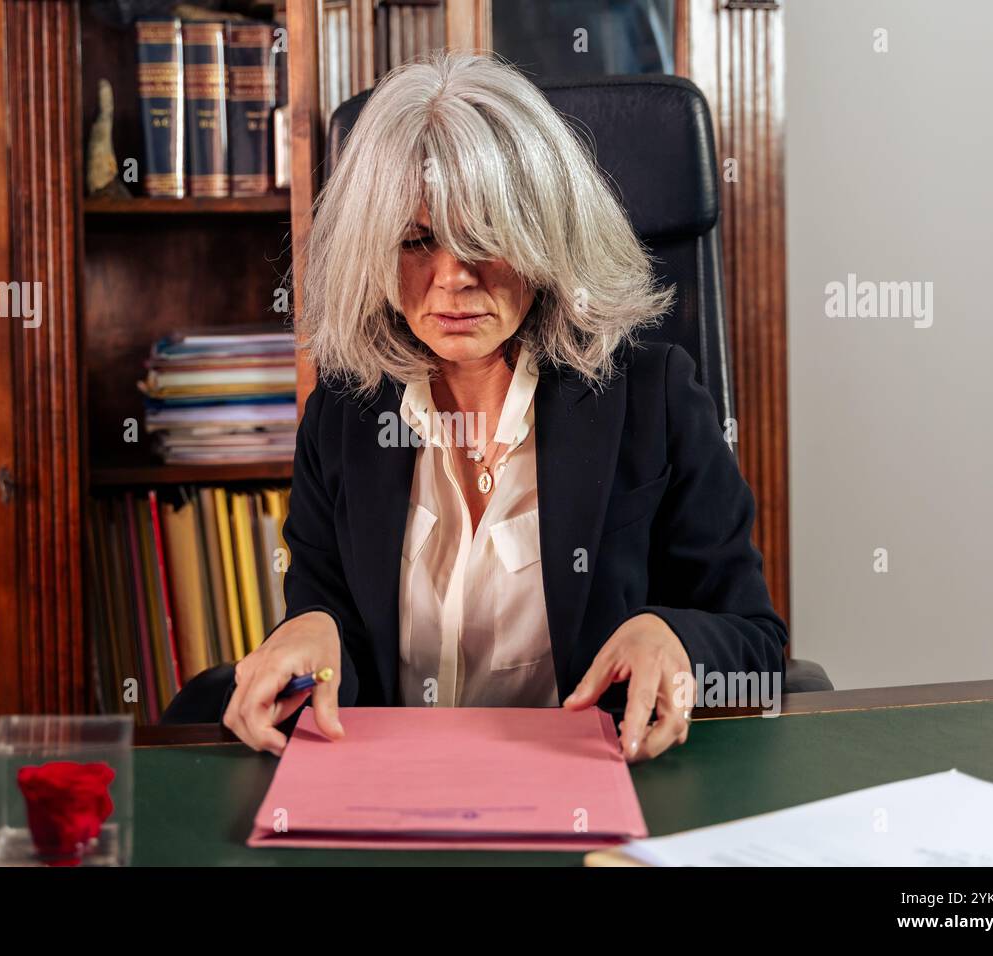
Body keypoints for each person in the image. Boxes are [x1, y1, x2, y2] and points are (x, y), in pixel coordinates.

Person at [165, 50, 788, 762]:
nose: (452, 279)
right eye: (417, 240)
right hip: (395, 799)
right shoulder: (343, 415)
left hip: (595, 787)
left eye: (484, 237)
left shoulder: (656, 398)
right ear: (374, 251)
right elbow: (330, 620)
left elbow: (757, 644)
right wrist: (311, 632)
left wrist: (674, 640)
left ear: (544, 239)